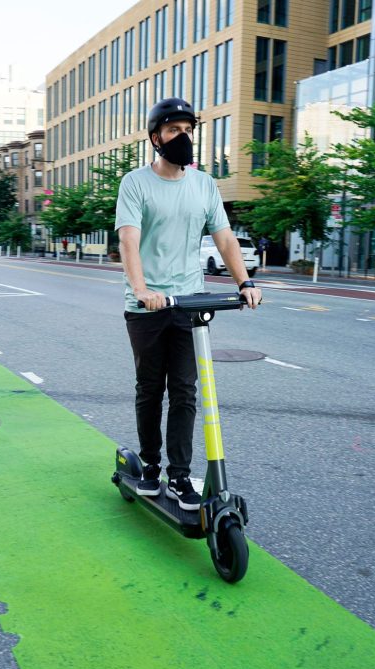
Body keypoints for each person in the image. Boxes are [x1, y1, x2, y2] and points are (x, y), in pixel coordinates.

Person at [115, 97, 262, 511]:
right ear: (155, 137)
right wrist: (142, 289)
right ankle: (149, 465)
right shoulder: (136, 183)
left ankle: (179, 476)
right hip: (146, 305)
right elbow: (128, 239)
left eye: (189, 130)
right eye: (175, 130)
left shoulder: (203, 185)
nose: (185, 137)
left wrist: (245, 281)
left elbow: (225, 237)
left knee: (184, 391)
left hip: (188, 303)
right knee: (150, 388)